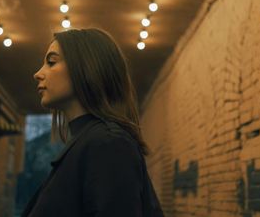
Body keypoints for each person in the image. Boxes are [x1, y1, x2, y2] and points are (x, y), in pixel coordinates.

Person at [22, 28, 164, 217]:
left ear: (86, 68)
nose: (38, 74)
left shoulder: (108, 143)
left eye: (52, 62)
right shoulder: (88, 143)